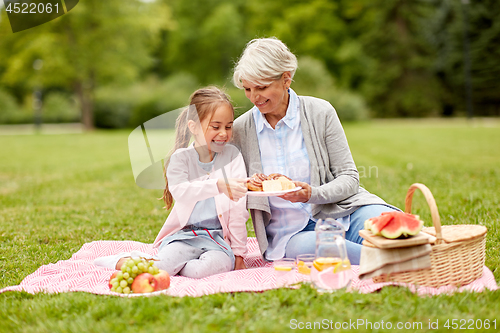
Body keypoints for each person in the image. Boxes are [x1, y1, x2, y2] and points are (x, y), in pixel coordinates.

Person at [231, 37, 399, 265]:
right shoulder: (241, 129)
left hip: (344, 212)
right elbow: (220, 179)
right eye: (247, 89)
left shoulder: (321, 112)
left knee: (391, 224)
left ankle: (396, 254)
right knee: (319, 246)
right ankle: (394, 260)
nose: (254, 97)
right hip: (291, 234)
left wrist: (312, 194)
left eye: (262, 87)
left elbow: (349, 178)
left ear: (286, 79)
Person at [94, 87, 249, 278]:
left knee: (203, 271)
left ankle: (178, 266)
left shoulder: (233, 157)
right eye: (215, 127)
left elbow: (238, 210)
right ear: (194, 127)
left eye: (228, 126)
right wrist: (218, 185)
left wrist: (239, 255)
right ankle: (123, 260)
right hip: (184, 237)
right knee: (154, 270)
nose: (224, 134)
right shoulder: (181, 158)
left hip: (217, 240)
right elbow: (181, 192)